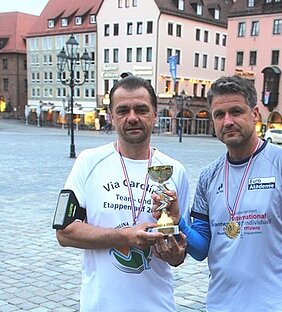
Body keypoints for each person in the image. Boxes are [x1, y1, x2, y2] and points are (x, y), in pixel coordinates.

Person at [153, 75, 282, 312]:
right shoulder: (208, 176)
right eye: (219, 115)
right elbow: (202, 248)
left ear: (254, 114)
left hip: (275, 305)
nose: (228, 121)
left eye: (236, 112)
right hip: (219, 305)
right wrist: (177, 221)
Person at [55, 75, 189, 312]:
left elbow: (178, 254)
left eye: (141, 109)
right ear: (111, 116)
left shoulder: (174, 170)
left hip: (158, 306)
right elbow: (64, 233)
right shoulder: (88, 162)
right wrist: (125, 237)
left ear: (155, 114)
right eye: (123, 110)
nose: (132, 118)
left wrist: (175, 253)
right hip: (100, 306)